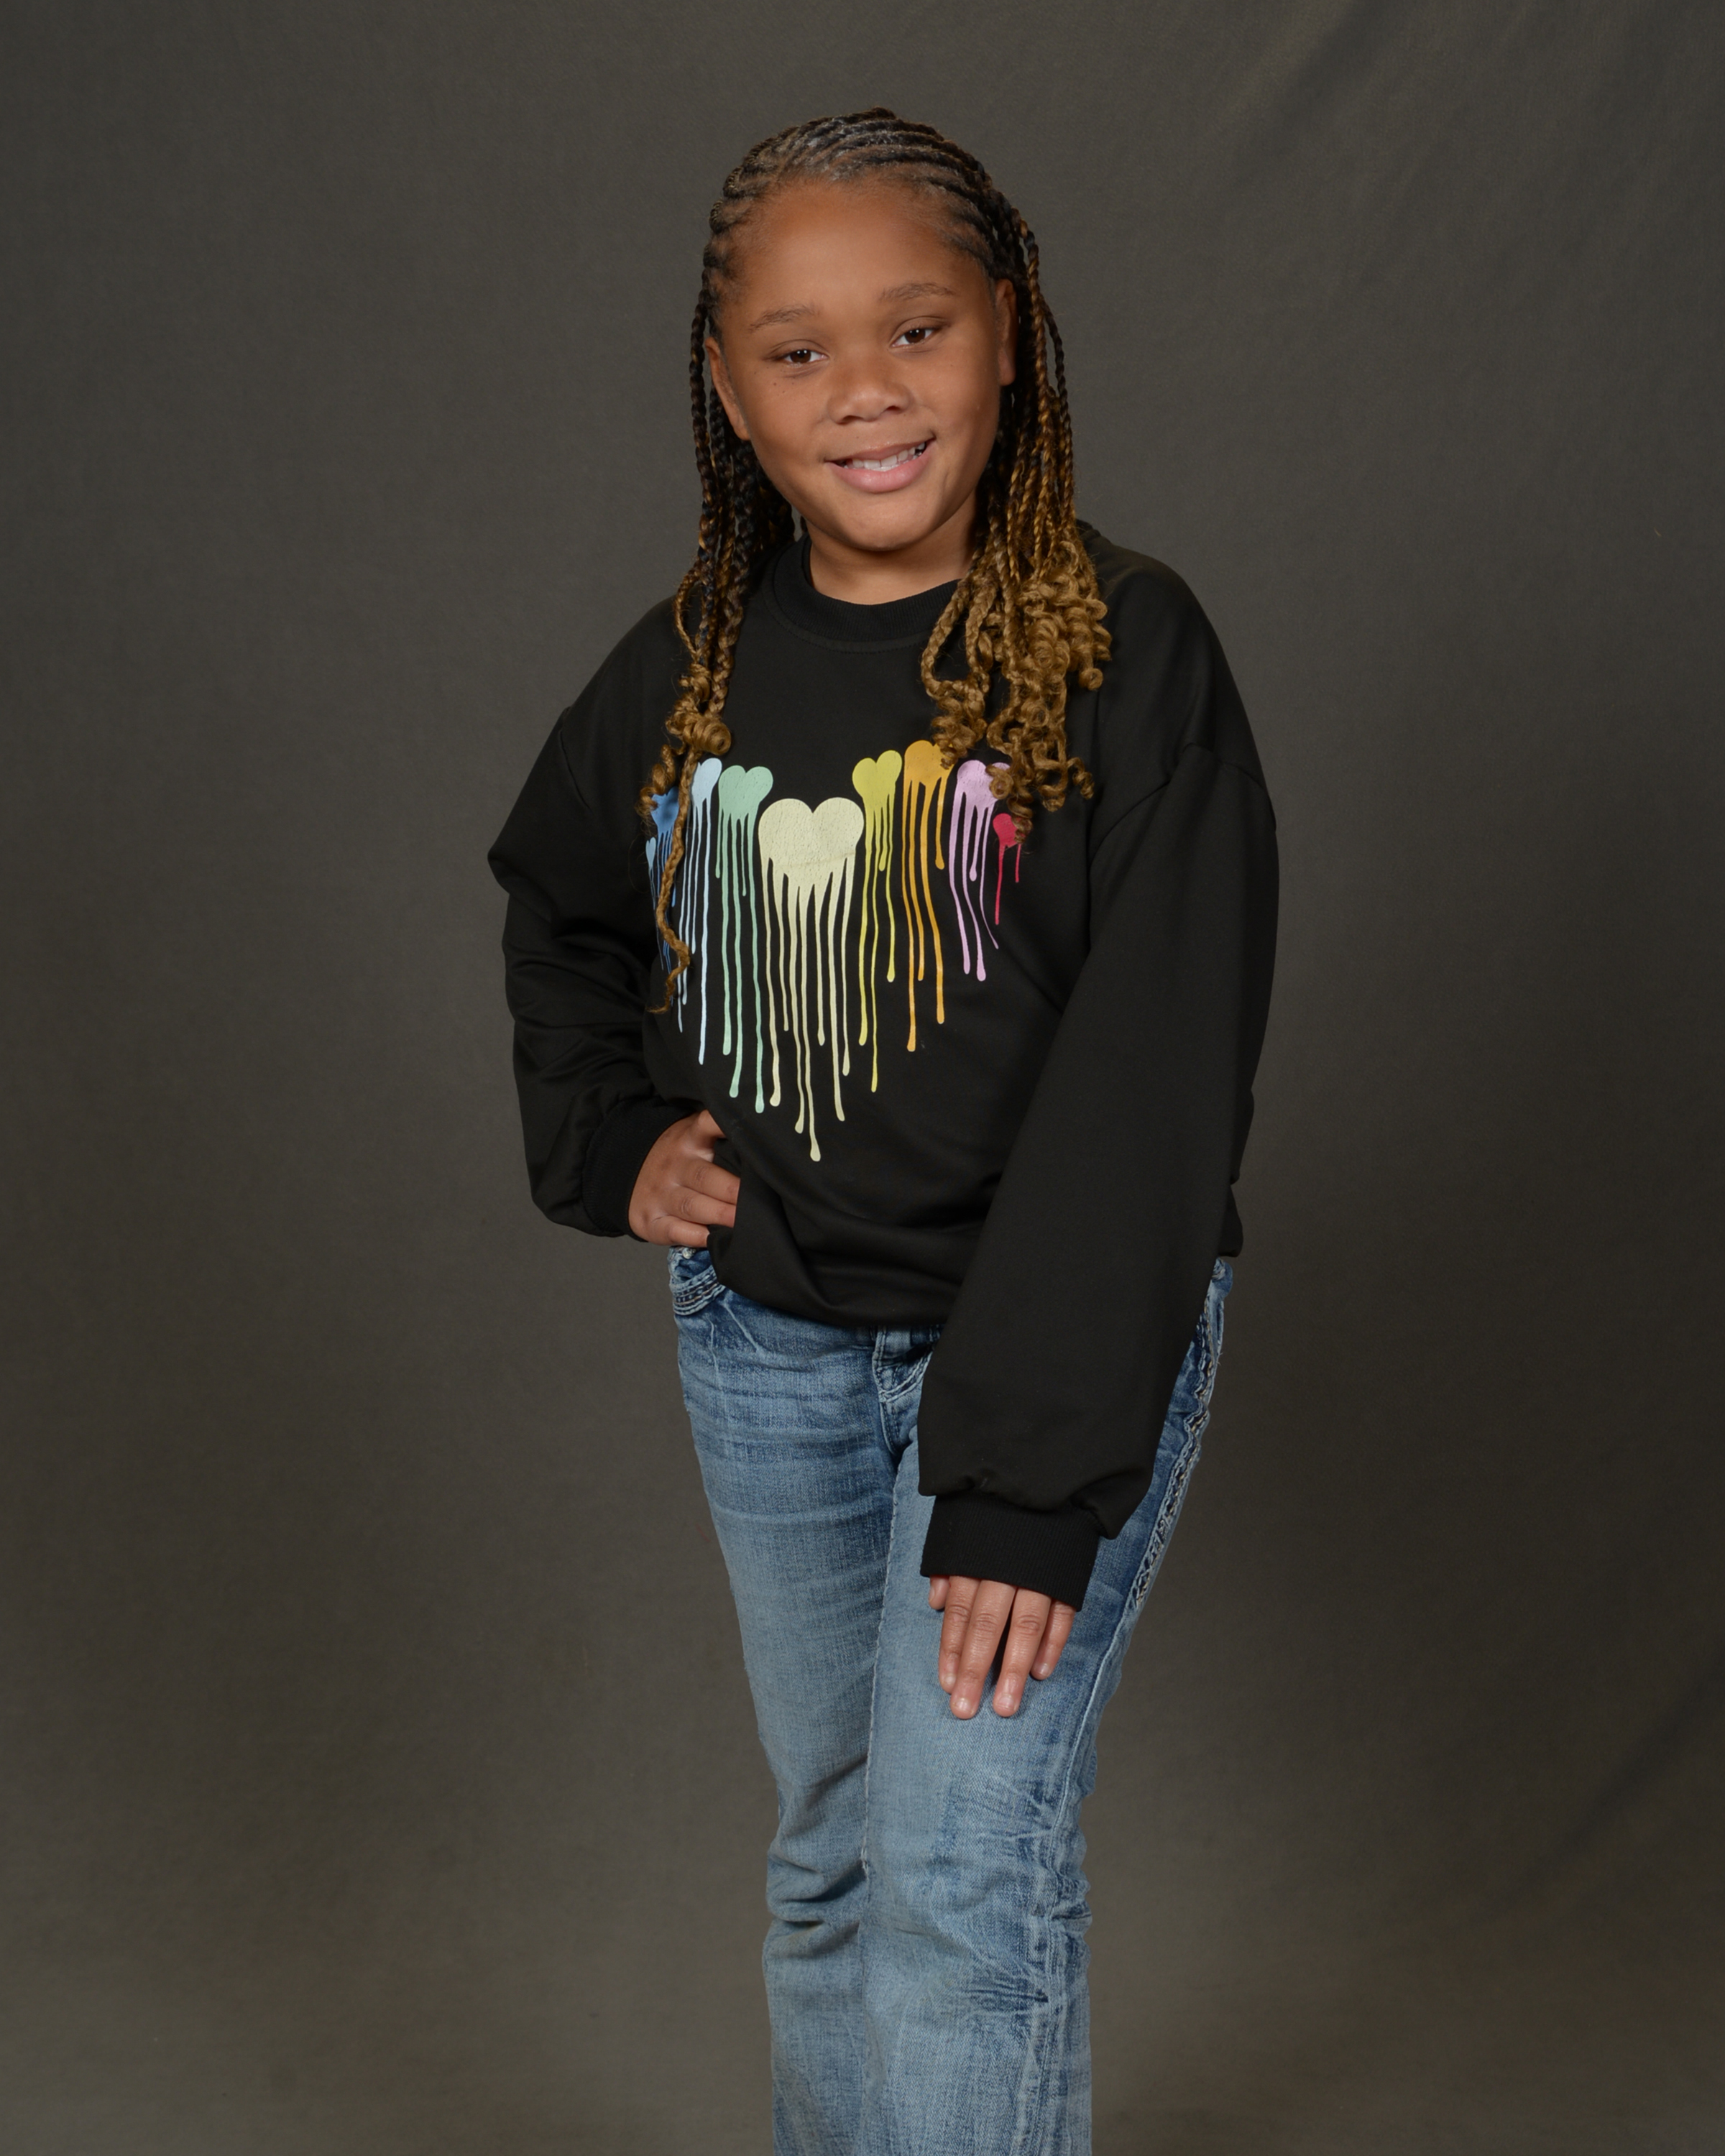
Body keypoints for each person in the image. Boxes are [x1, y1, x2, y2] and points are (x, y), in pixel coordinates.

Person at [489, 107, 1276, 2156]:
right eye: (800, 350)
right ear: (727, 387)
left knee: (957, 1879)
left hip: (1038, 1363)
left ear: (1009, 330)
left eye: (916, 329)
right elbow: (562, 905)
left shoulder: (1126, 654)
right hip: (772, 1353)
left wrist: (1023, 1475)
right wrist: (611, 1139)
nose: (866, 391)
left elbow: (1155, 1092)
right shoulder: (691, 666)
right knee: (838, 1849)